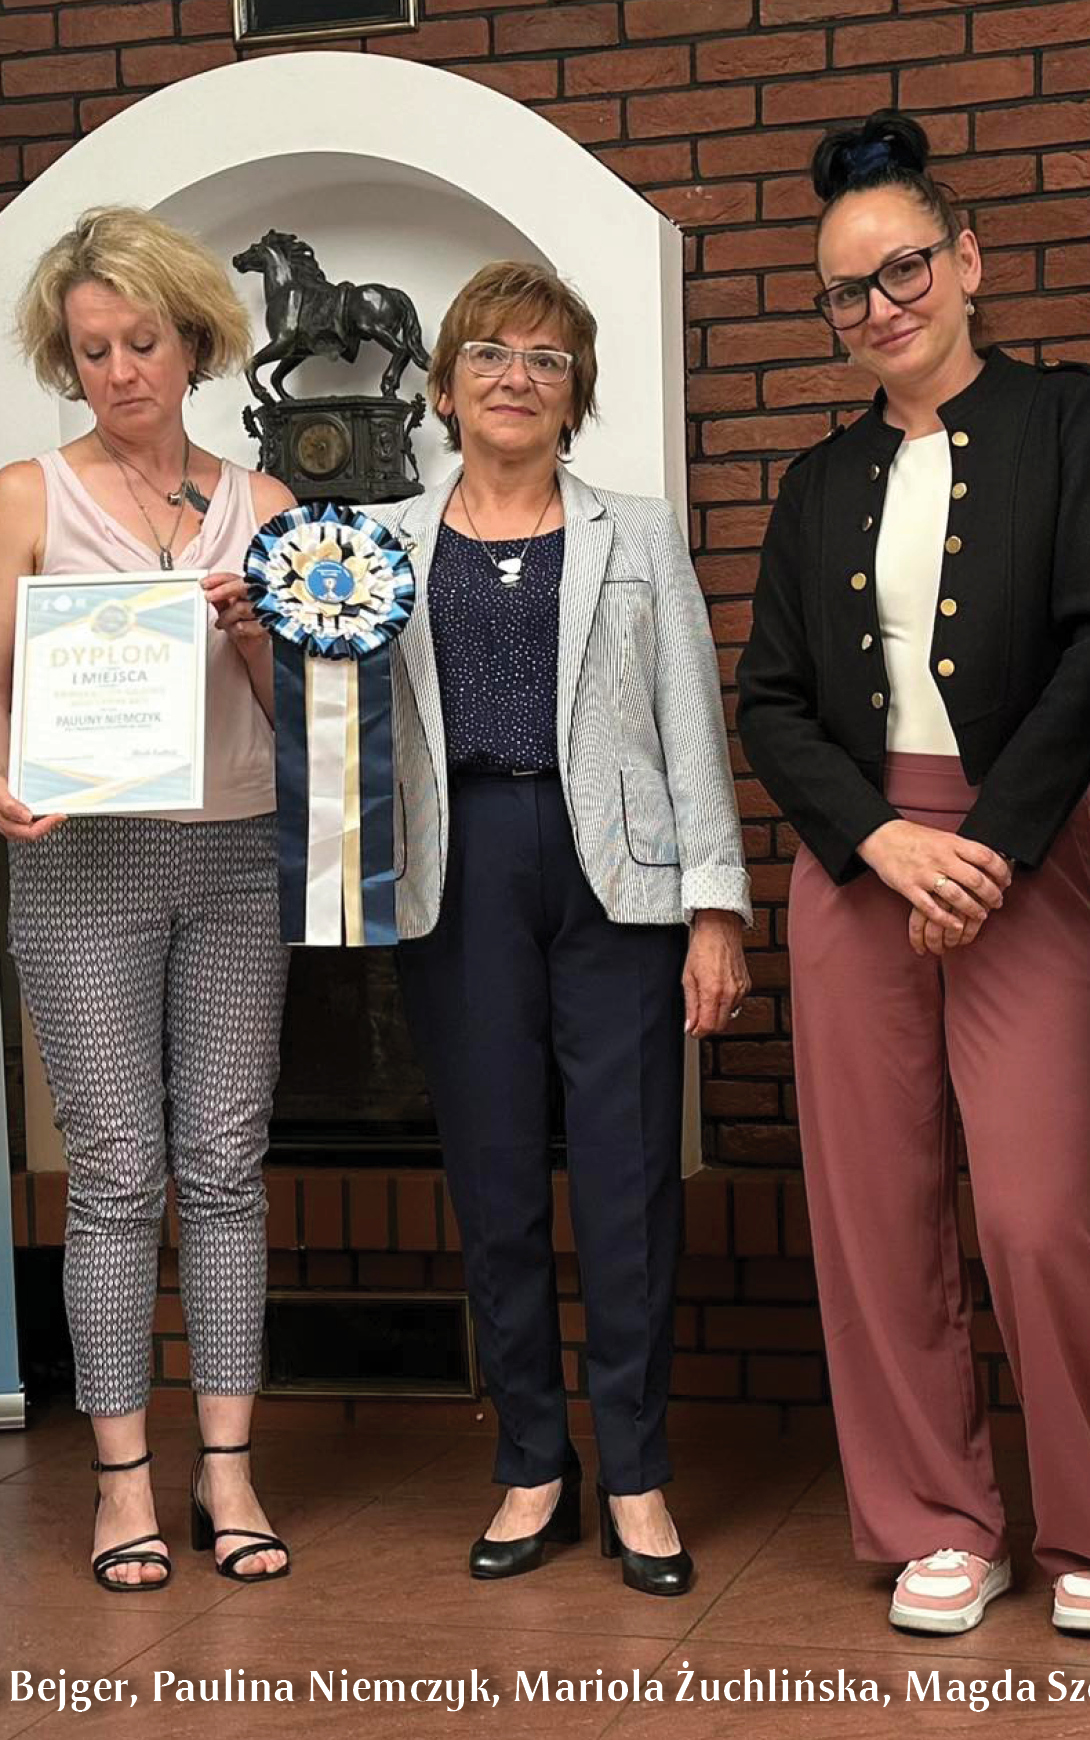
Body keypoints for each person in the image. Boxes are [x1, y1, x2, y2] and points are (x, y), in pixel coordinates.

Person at [736, 109, 1090, 1639]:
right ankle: (935, 1518)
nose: (880, 304)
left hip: (1018, 855)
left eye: (903, 267)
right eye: (846, 290)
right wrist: (881, 839)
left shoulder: (1068, 418)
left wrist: (986, 842)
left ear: (966, 260)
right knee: (877, 1214)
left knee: (1035, 1216)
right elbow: (769, 701)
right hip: (858, 867)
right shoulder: (813, 482)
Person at [379, 262, 749, 1596]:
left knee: (627, 1179)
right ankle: (533, 1460)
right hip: (456, 869)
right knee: (492, 1180)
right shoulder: (380, 543)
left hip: (619, 884)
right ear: (445, 385)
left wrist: (715, 906)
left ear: (576, 390)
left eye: (546, 358)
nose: (516, 377)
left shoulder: (636, 533)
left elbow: (689, 720)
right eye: (489, 352)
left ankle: (636, 1472)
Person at [0, 206, 296, 1591]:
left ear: (194, 340)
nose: (119, 371)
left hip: (234, 856)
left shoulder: (266, 506)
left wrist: (258, 637)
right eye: (91, 350)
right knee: (111, 1175)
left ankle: (230, 1468)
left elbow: (306, 720)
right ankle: (119, 1482)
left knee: (225, 1164)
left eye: (142, 341)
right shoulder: (27, 495)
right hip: (79, 861)